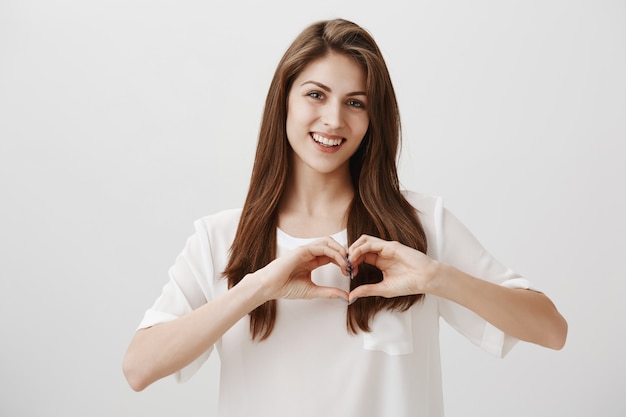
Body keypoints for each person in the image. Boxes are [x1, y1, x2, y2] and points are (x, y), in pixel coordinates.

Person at [122, 18, 567, 417]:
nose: (333, 119)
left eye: (355, 102)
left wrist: (436, 277)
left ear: (374, 117)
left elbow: (551, 329)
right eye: (316, 94)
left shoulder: (420, 224)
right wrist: (257, 287)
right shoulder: (221, 238)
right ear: (285, 102)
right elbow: (139, 368)